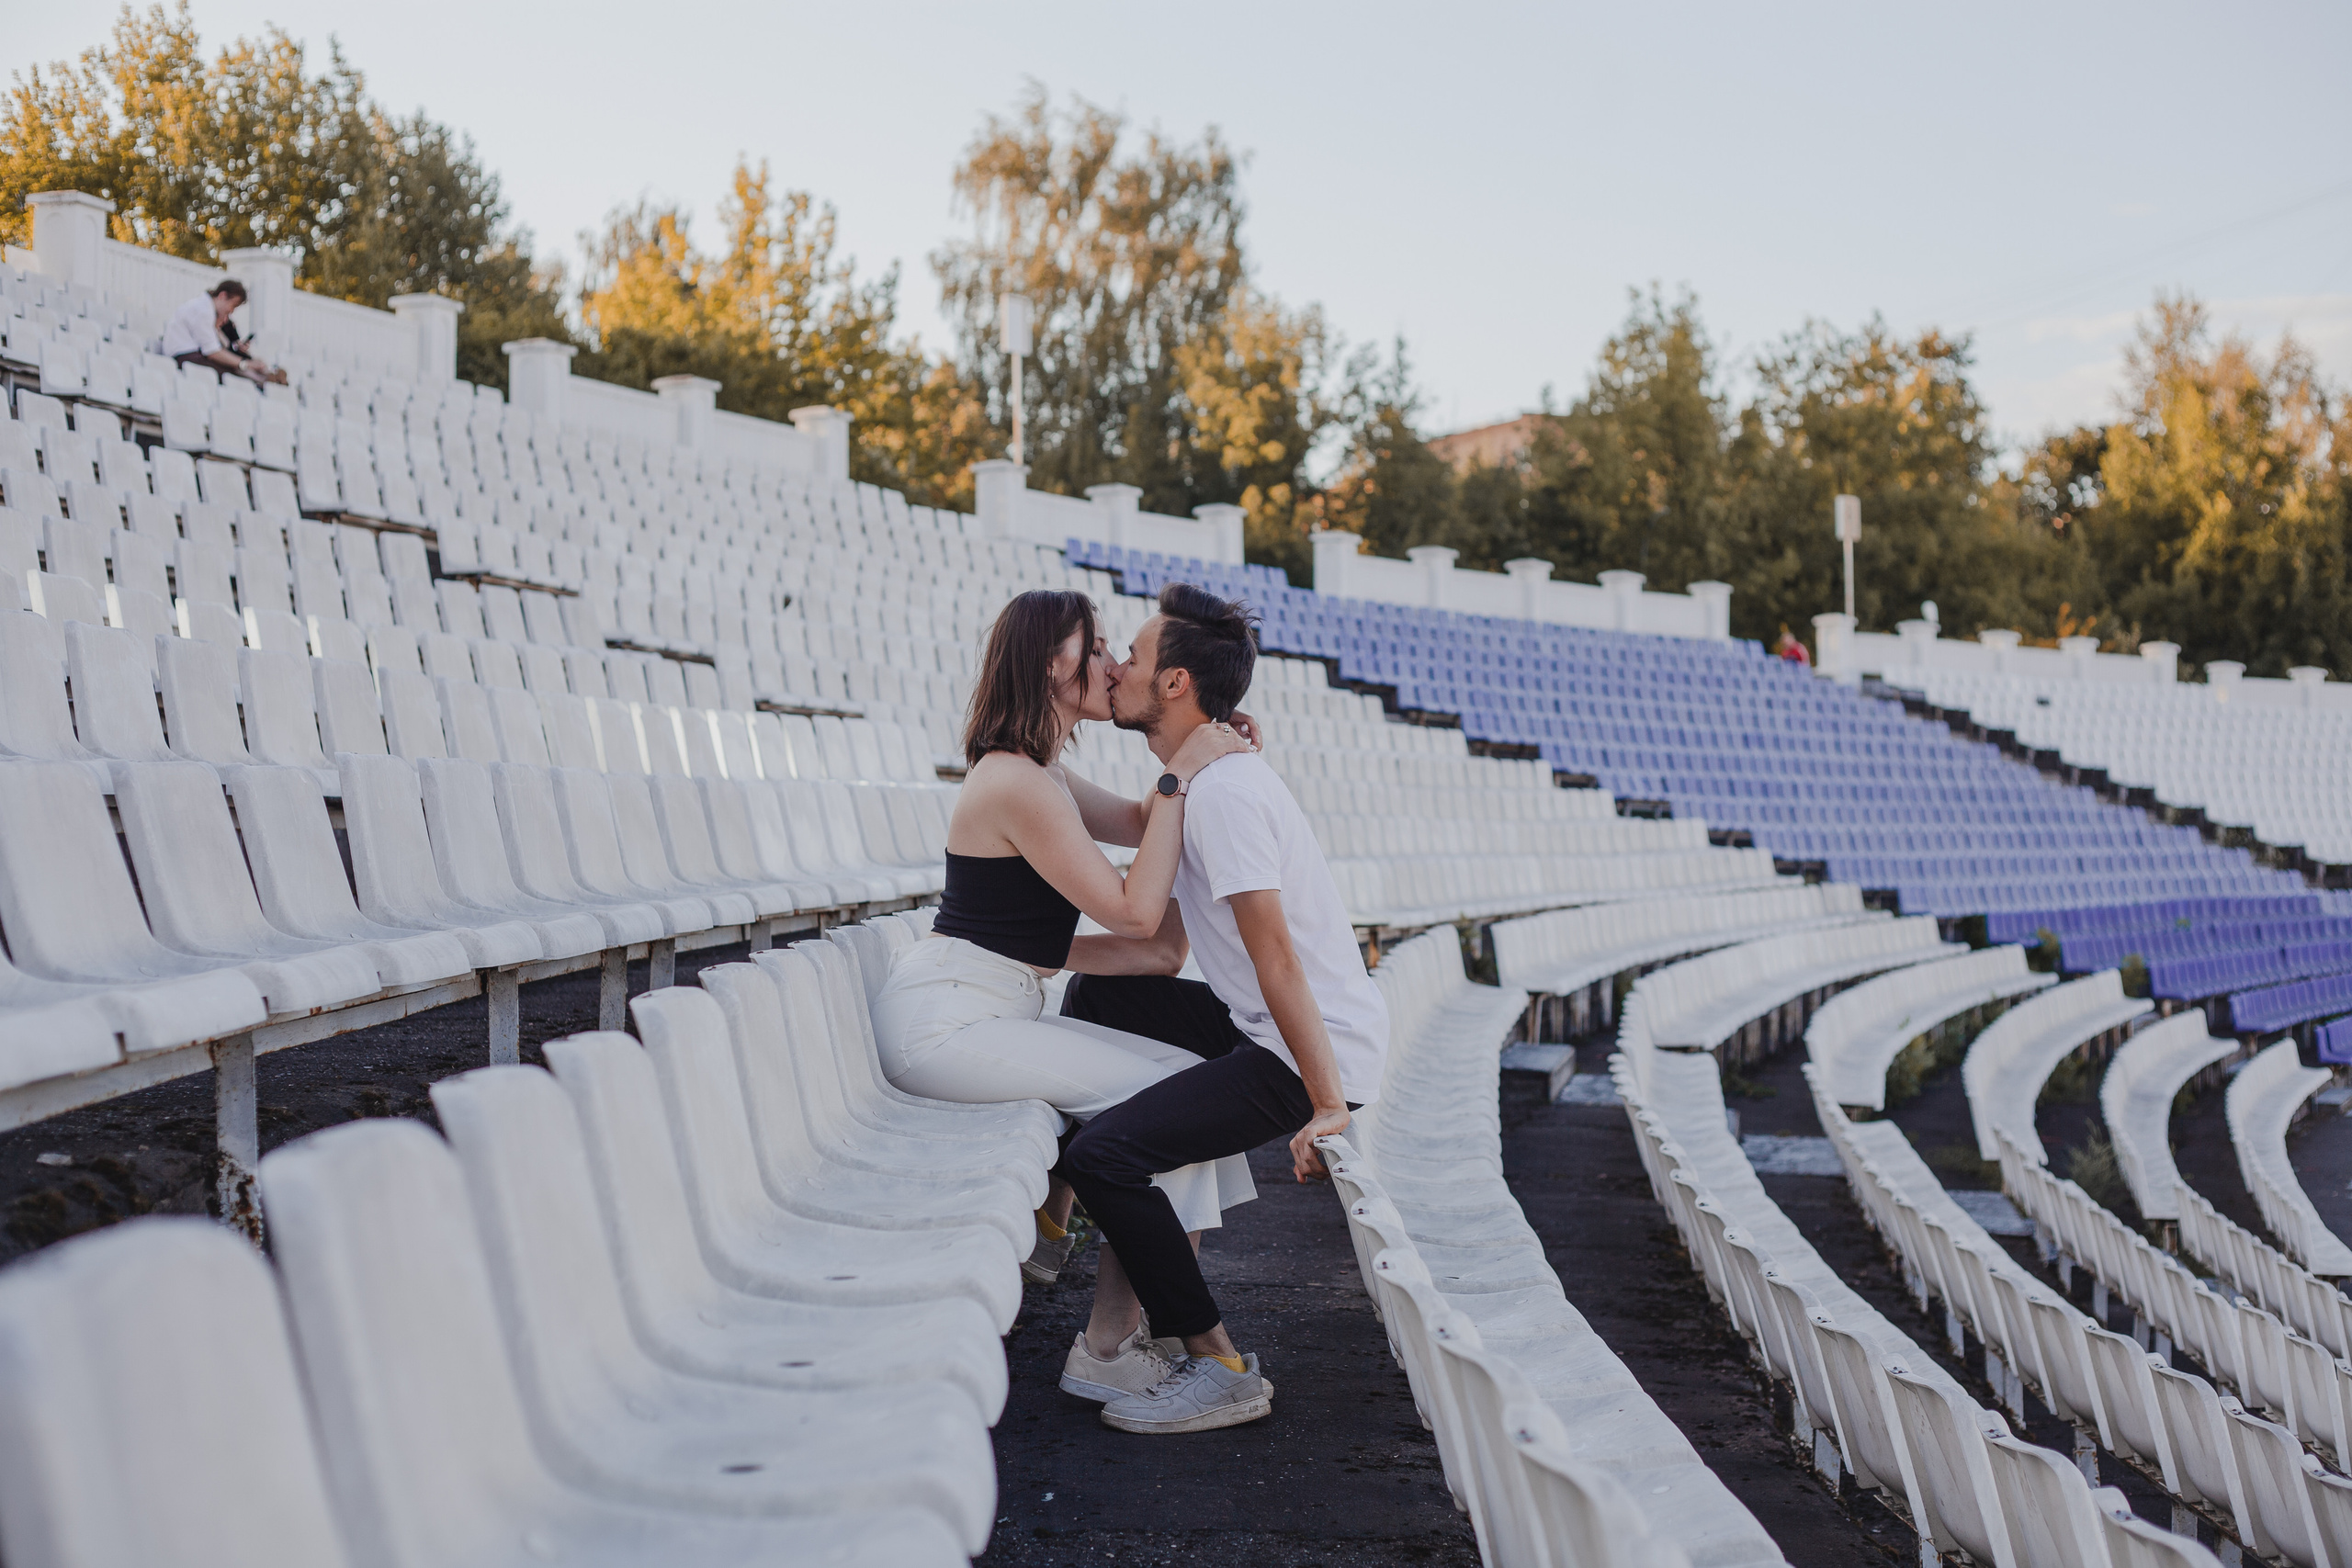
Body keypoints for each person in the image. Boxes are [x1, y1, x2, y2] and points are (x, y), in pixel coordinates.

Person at [866, 588, 1260, 1404]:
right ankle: (1116, 1346)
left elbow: (1145, 820)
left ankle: (1114, 1334)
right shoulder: (1014, 782)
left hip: (990, 1006)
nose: (1115, 664)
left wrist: (1212, 757)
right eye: (1099, 647)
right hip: (945, 1024)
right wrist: (1187, 775)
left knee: (1191, 1089)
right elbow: (1133, 909)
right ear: (1055, 662)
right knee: (1174, 1103)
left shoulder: (1042, 772)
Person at [1053, 582, 1390, 1436]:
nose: (1116, 667)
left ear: (1175, 683)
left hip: (1305, 1051)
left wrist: (1325, 1103)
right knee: (1096, 995)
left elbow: (1275, 955)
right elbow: (1159, 948)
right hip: (1263, 1029)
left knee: (1107, 1156)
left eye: (1131, 653)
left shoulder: (1226, 795)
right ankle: (1049, 1210)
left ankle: (1220, 1363)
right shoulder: (1198, 784)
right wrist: (1032, 952)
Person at [160, 279, 287, 385]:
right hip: (185, 356)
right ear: (222, 296)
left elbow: (220, 347)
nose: (232, 311)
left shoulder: (205, 309)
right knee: (233, 378)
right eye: (234, 305)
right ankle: (265, 379)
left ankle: (266, 377)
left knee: (235, 371)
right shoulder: (203, 310)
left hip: (192, 355)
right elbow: (213, 352)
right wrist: (245, 364)